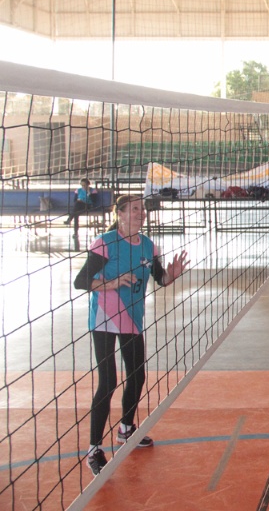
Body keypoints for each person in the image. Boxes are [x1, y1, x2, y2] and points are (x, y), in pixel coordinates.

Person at [73, 195, 189, 475]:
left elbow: (160, 278)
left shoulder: (149, 246)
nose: (142, 213)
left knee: (137, 376)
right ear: (121, 213)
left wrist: (170, 276)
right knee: (109, 381)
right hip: (104, 319)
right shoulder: (106, 242)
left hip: (132, 320)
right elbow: (80, 281)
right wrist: (112, 283)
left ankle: (126, 429)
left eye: (143, 209)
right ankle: (94, 450)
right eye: (135, 209)